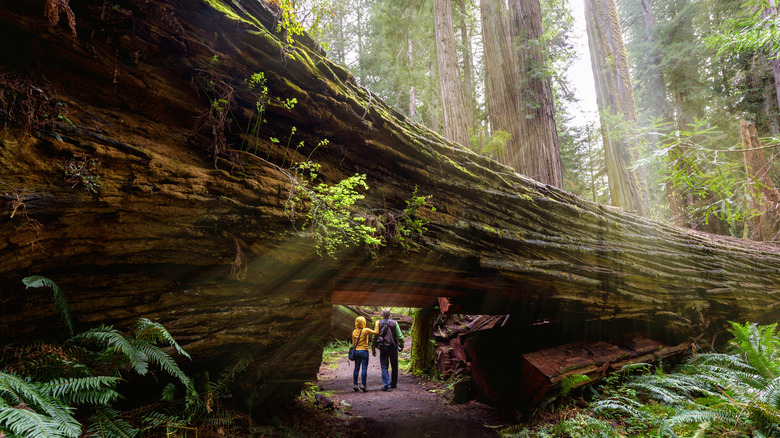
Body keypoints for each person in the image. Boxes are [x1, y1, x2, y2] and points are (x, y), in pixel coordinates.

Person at [371, 308, 404, 391]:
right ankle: (394, 384)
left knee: (384, 366)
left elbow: (374, 336)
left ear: (382, 315)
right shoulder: (394, 323)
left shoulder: (379, 323)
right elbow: (400, 336)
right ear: (390, 315)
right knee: (394, 366)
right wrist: (401, 345)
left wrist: (373, 348)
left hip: (383, 347)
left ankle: (387, 385)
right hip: (393, 347)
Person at [351, 316, 377, 392]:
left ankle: (355, 385)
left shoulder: (354, 332)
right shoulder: (365, 330)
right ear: (364, 323)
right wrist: (377, 323)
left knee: (356, 368)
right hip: (364, 351)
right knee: (364, 368)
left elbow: (353, 343)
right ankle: (363, 385)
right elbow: (376, 332)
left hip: (356, 351)